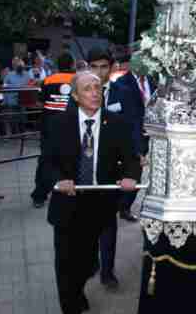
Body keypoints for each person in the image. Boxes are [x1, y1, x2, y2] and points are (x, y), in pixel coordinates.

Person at [44, 71, 139, 314]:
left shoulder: (116, 123)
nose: (95, 93)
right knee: (65, 262)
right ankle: (70, 304)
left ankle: (77, 289)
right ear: (75, 96)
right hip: (67, 202)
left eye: (98, 87)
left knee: (87, 263)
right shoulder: (58, 123)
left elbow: (131, 158)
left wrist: (131, 175)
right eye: (87, 88)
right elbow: (47, 162)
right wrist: (60, 179)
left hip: (100, 203)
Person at [84, 47, 142, 290]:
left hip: (111, 169)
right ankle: (90, 264)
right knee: (85, 223)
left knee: (108, 223)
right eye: (94, 66)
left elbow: (134, 126)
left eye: (103, 66)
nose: (99, 72)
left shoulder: (125, 92)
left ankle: (107, 272)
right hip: (84, 169)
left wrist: (136, 158)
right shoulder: (78, 93)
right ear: (88, 67)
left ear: (112, 67)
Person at [31, 53, 76, 209]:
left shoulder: (48, 80)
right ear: (72, 64)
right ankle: (69, 194)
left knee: (45, 161)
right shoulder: (78, 80)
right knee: (71, 161)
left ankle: (39, 196)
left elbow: (39, 103)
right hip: (71, 127)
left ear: (58, 65)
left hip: (49, 127)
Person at [111, 52, 148, 222]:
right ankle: (121, 207)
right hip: (128, 138)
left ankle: (123, 207)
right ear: (134, 64)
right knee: (131, 175)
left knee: (136, 176)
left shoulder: (151, 81)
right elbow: (120, 115)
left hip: (146, 136)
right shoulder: (121, 83)